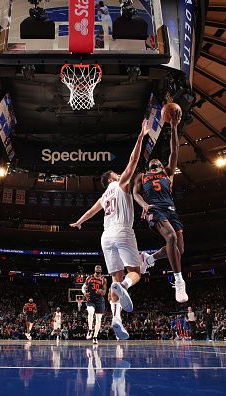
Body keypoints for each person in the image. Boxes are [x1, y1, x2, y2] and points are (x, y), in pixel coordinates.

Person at [70, 119, 149, 340]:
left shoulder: (104, 196)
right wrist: (141, 136)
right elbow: (134, 160)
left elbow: (91, 212)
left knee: (114, 278)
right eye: (116, 173)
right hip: (123, 231)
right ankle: (124, 285)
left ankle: (116, 319)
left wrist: (79, 222)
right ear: (113, 178)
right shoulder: (121, 184)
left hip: (106, 237)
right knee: (135, 273)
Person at [133, 107, 188, 303]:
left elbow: (175, 149)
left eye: (158, 160)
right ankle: (179, 281)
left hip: (171, 209)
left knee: (178, 250)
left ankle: (149, 259)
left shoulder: (168, 173)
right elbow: (135, 194)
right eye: (153, 160)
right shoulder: (142, 176)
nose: (155, 160)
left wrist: (173, 126)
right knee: (171, 237)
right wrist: (143, 205)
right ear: (149, 165)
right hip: (154, 209)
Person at [82, 265, 107, 344]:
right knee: (90, 312)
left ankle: (95, 337)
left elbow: (104, 292)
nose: (98, 268)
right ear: (94, 269)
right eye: (96, 267)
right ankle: (90, 329)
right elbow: (83, 287)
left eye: (99, 267)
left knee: (99, 319)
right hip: (91, 299)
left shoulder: (103, 279)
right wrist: (84, 293)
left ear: (101, 270)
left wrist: (101, 291)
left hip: (99, 300)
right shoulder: (89, 278)